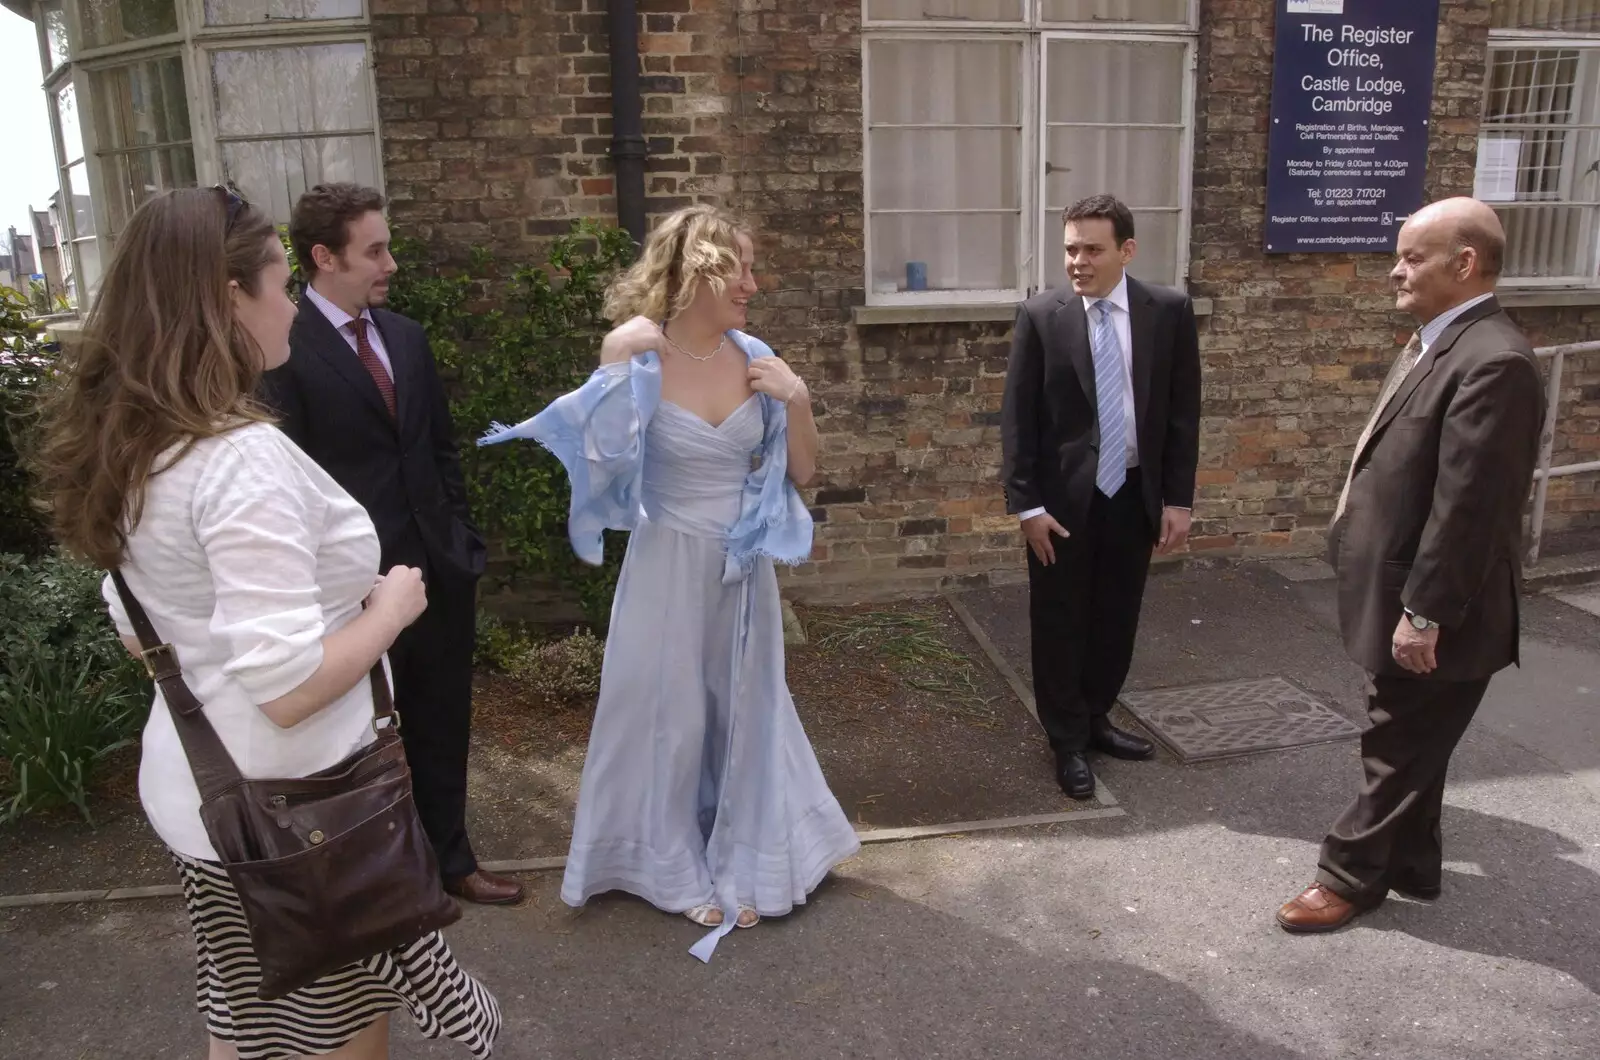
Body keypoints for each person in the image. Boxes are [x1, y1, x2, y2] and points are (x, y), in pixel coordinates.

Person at [34, 187, 499, 1059]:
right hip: (306, 816)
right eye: (280, 283)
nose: (291, 304)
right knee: (341, 1034)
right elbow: (288, 690)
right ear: (228, 298)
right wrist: (391, 608)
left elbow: (136, 627)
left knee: (247, 1021)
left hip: (203, 796)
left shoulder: (143, 442)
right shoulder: (237, 459)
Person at [478, 204, 860, 961]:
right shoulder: (641, 358)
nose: (754, 282)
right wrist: (611, 359)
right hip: (666, 564)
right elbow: (605, 469)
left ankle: (756, 850)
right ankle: (668, 862)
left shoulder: (758, 357)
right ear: (697, 273)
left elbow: (806, 475)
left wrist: (800, 397)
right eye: (740, 267)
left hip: (742, 572)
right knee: (669, 715)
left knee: (749, 710)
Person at [1277, 198, 1544, 933]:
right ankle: (1415, 865)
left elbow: (1472, 510)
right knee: (1415, 735)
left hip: (1439, 608)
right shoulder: (1442, 341)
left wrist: (1424, 614)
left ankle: (1347, 875)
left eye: (1413, 257)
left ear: (1464, 265)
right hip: (1402, 591)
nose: (1396, 269)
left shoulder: (1496, 361)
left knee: (1394, 744)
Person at [260, 184, 522, 905]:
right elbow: (287, 480)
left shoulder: (404, 336)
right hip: (349, 590)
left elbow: (439, 451)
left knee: (442, 720)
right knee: (357, 738)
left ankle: (452, 862)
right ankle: (380, 880)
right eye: (374, 250)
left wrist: (461, 543)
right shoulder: (283, 346)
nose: (391, 264)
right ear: (324, 257)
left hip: (436, 570)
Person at [999, 194, 1202, 799]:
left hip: (1134, 494)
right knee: (1059, 621)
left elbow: (1181, 415)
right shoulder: (1042, 316)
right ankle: (1065, 741)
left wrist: (1178, 499)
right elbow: (1019, 420)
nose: (1078, 261)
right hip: (1062, 506)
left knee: (1116, 617)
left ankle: (1095, 719)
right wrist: (1027, 507)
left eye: (1092, 249)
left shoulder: (1166, 311)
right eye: (1070, 249)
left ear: (1126, 251)